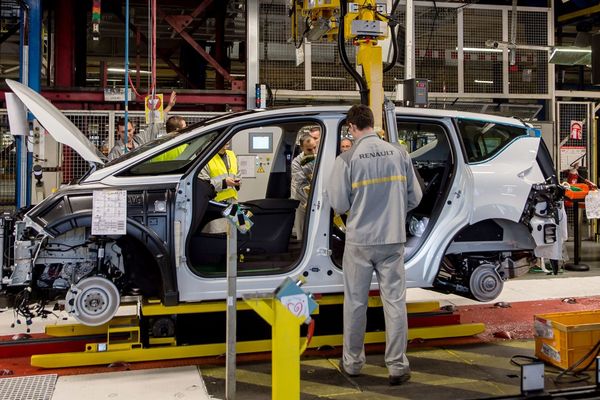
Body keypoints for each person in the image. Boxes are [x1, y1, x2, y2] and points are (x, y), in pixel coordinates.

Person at [326, 104, 422, 386]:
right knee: (394, 302)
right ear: (372, 124)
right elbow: (415, 198)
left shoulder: (347, 158)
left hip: (360, 241)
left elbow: (339, 203)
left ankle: (353, 364)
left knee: (356, 304)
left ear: (352, 128)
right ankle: (397, 366)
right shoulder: (399, 154)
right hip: (393, 239)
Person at [290, 134, 317, 240]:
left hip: (316, 199)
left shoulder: (320, 156)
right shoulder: (296, 162)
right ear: (302, 148)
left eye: (315, 147)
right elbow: (302, 182)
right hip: (302, 199)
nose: (313, 152)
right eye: (309, 149)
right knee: (302, 231)